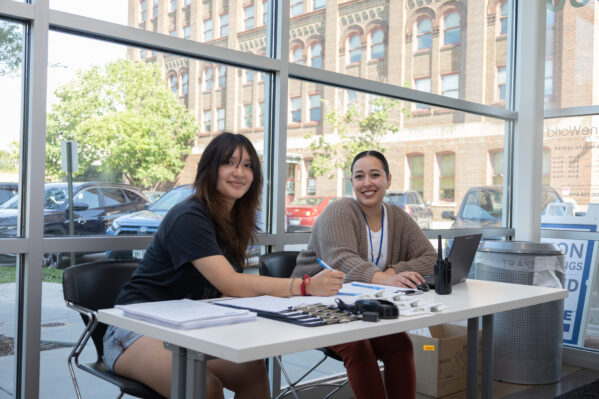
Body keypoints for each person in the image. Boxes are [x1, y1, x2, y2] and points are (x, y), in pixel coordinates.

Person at [103, 132, 345, 399]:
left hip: (189, 323)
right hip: (136, 328)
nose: (239, 172)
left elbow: (226, 291)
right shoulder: (189, 216)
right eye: (228, 162)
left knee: (252, 371)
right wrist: (305, 286)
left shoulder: (233, 220)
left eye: (247, 165)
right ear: (210, 168)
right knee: (204, 387)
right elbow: (229, 282)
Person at [292, 150, 436, 399]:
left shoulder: (398, 217)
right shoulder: (340, 210)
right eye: (359, 176)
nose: (367, 182)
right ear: (352, 183)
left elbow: (429, 258)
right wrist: (385, 279)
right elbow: (341, 261)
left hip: (358, 305)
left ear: (388, 180)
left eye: (375, 175)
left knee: (400, 344)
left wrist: (393, 271)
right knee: (358, 345)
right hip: (314, 301)